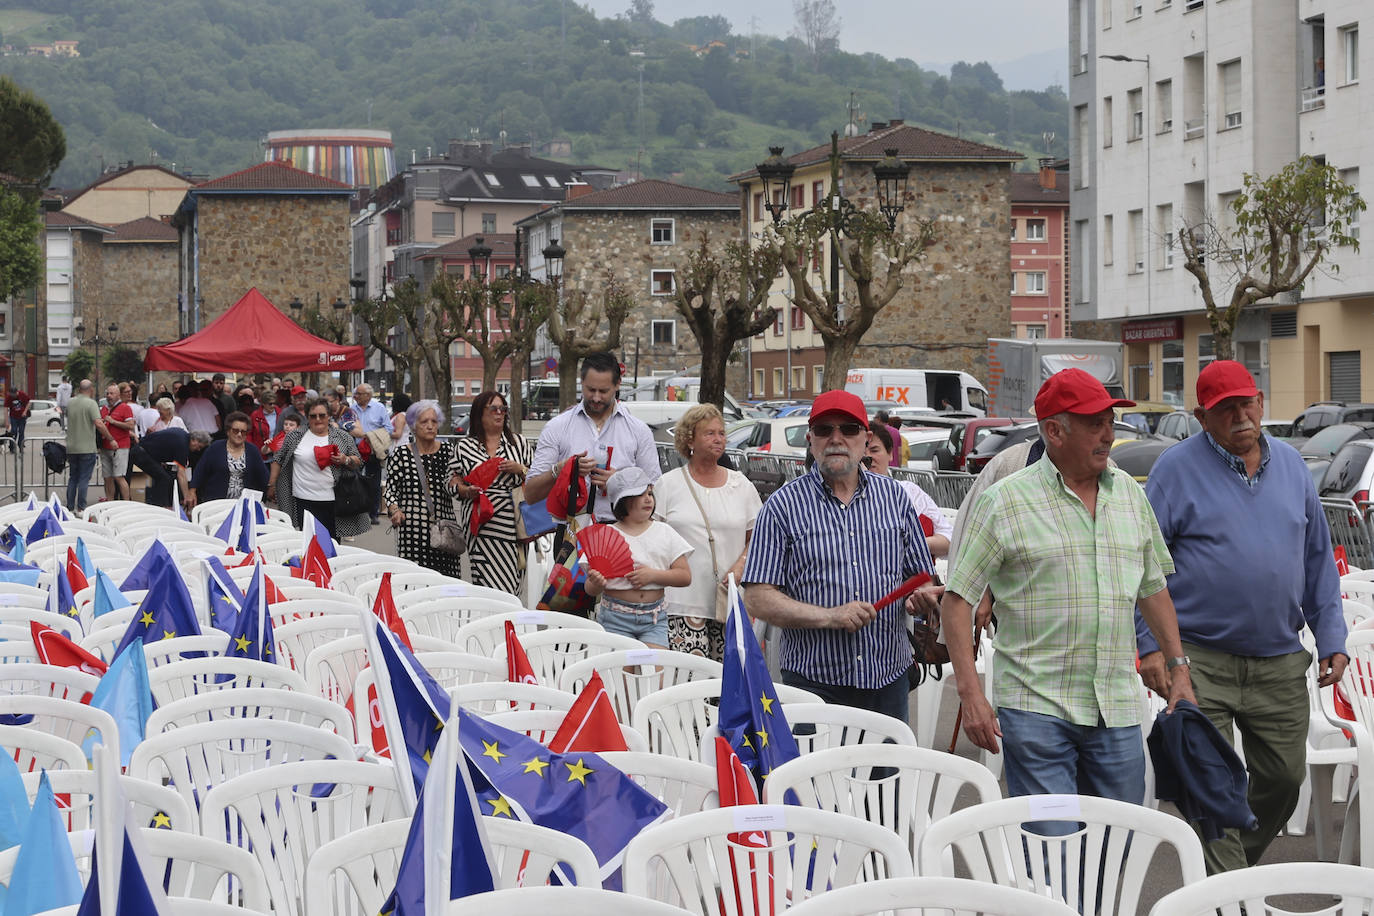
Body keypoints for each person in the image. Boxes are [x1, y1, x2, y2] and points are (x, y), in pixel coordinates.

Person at [940, 368, 1194, 810]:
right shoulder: (1005, 501)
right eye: (1095, 423)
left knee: (1118, 845)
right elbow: (958, 600)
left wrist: (1179, 668)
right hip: (1037, 707)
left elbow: (1153, 590)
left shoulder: (1130, 498)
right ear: (1054, 431)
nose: (1109, 435)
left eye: (1111, 422)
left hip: (1115, 706)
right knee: (1051, 848)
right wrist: (971, 693)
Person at [1138, 360, 1347, 872]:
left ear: (1261, 402)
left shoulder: (1294, 466)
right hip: (1198, 658)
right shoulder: (1175, 469)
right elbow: (1142, 566)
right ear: (1201, 417)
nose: (1241, 416)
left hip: (1278, 657)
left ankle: (1223, 878)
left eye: (1247, 403)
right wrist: (1151, 647)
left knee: (1284, 780)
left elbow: (1318, 558)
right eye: (1225, 408)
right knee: (1209, 786)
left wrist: (1333, 637)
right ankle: (1228, 898)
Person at [742, 390, 939, 721]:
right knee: (816, 775)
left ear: (865, 439)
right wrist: (830, 616)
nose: (836, 439)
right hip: (814, 684)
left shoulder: (896, 499)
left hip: (887, 678)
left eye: (848, 429)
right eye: (824, 430)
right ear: (810, 440)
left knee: (886, 774)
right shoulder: (781, 507)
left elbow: (919, 576)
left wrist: (919, 595)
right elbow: (757, 599)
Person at [653, 403, 761, 660]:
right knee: (687, 684)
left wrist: (741, 564)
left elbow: (758, 536)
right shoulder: (668, 484)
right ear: (690, 439)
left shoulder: (740, 485)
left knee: (727, 685)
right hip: (681, 603)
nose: (718, 439)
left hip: (729, 603)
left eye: (721, 433)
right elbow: (653, 537)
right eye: (709, 433)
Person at [525, 351, 660, 523]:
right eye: (590, 390)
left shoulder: (638, 430)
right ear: (582, 382)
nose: (596, 398)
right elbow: (530, 495)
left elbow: (656, 493)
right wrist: (561, 470)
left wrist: (620, 483)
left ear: (618, 384)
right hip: (570, 532)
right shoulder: (557, 427)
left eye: (603, 391)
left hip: (623, 532)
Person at [584, 467, 692, 649]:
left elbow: (684, 576)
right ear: (621, 501)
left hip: (655, 619)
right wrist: (597, 582)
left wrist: (653, 576)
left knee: (655, 673)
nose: (648, 498)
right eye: (639, 494)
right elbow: (590, 590)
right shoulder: (606, 535)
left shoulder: (665, 531)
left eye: (650, 492)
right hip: (614, 618)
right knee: (620, 673)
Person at [449, 391, 532, 594]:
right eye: (493, 408)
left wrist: (519, 469)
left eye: (503, 409)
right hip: (480, 524)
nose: (499, 413)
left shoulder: (519, 443)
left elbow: (537, 480)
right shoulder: (464, 446)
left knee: (511, 582)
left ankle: (508, 621)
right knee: (484, 583)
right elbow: (451, 481)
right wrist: (466, 490)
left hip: (513, 524)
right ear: (479, 413)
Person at [266, 397, 369, 541]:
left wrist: (345, 459)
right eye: (313, 416)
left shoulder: (342, 437)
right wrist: (272, 484)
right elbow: (278, 459)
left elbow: (358, 461)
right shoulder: (295, 436)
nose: (318, 419)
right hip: (303, 499)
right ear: (307, 417)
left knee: (331, 545)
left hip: (334, 500)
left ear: (329, 416)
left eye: (322, 415)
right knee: (308, 544)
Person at [381, 400, 462, 578]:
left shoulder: (449, 451)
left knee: (446, 584)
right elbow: (391, 490)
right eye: (424, 422)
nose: (430, 426)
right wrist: (394, 510)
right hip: (412, 531)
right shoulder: (401, 455)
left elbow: (458, 482)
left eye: (434, 421)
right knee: (414, 583)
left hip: (444, 531)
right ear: (413, 426)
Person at [865, 424, 951, 558]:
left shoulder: (909, 492)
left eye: (874, 450)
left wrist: (913, 543)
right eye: (862, 453)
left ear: (890, 454)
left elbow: (948, 539)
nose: (868, 458)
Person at [187, 412, 268, 509]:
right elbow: (200, 470)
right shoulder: (215, 448)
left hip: (244, 505)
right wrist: (192, 491)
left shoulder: (252, 450)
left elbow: (263, 476)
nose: (239, 434)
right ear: (228, 431)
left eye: (243, 432)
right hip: (216, 503)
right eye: (235, 431)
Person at [65, 380, 116, 512]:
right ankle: (81, 508)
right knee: (84, 479)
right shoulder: (91, 403)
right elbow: (99, 423)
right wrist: (110, 438)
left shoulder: (70, 402)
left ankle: (70, 507)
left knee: (73, 478)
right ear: (91, 389)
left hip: (71, 446)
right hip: (86, 447)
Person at [130, 427, 205, 508]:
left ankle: (161, 503)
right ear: (195, 441)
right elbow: (181, 474)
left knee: (165, 476)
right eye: (199, 447)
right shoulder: (183, 445)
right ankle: (161, 507)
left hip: (144, 449)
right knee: (164, 478)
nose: (198, 450)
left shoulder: (182, 434)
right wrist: (187, 496)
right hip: (141, 453)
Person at [350, 383, 393, 523]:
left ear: (367, 395)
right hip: (355, 450)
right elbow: (346, 425)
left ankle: (373, 514)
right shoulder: (351, 409)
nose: (355, 396)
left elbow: (389, 429)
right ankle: (356, 513)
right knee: (353, 482)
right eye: (355, 393)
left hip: (373, 450)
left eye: (358, 394)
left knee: (374, 484)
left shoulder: (379, 408)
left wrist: (372, 436)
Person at [99, 383, 135, 501]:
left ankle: (126, 503)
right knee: (107, 477)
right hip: (105, 447)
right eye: (107, 393)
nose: (109, 396)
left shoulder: (125, 408)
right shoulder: (103, 409)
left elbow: (130, 425)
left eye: (112, 393)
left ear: (118, 395)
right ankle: (110, 502)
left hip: (120, 446)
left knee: (119, 476)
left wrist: (113, 422)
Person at [5, 386, 29, 451]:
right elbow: (6, 409)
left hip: (22, 417)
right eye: (12, 395)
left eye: (14, 395)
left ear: (17, 392)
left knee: (21, 431)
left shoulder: (22, 394)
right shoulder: (9, 397)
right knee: (14, 431)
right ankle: (12, 447)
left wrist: (25, 411)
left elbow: (28, 403)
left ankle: (20, 445)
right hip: (13, 417)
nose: (13, 396)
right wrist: (7, 421)